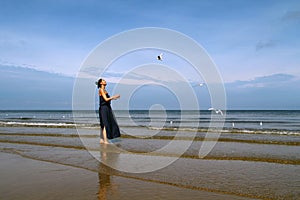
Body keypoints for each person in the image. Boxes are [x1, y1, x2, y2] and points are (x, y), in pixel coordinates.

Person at [97, 78, 121, 144]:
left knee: (105, 123)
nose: (105, 81)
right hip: (103, 108)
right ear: (101, 83)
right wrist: (113, 97)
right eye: (103, 80)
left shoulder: (105, 90)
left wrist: (114, 98)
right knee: (105, 124)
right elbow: (106, 99)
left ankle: (102, 140)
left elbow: (107, 100)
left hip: (107, 108)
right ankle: (105, 141)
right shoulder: (101, 90)